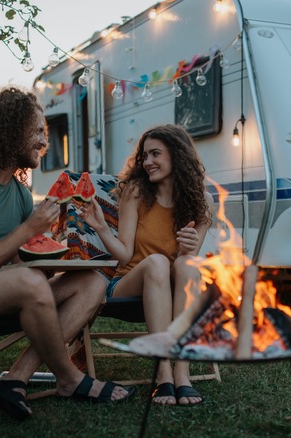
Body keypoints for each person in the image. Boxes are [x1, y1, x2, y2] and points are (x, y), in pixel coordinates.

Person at [0, 87, 135, 421]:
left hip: (6, 292)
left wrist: (60, 254)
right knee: (29, 282)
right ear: (9, 131)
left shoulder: (20, 194)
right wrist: (30, 228)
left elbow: (22, 261)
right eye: (37, 131)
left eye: (45, 133)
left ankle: (17, 377)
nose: (44, 141)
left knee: (92, 282)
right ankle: (69, 378)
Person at [80, 124, 213, 406]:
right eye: (144, 156)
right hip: (128, 282)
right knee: (157, 262)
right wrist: (101, 228)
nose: (147, 162)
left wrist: (188, 247)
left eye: (155, 154)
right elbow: (124, 255)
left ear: (177, 155)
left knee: (189, 265)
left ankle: (182, 373)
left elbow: (185, 264)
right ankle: (163, 373)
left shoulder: (203, 202)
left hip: (171, 287)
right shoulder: (136, 192)